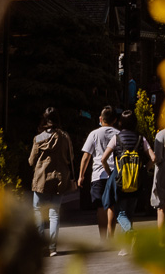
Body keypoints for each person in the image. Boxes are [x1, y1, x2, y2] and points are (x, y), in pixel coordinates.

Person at [100, 109, 155, 240]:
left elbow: (103, 159)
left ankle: (130, 232)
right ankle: (126, 246)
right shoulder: (141, 138)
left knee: (120, 212)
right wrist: (144, 169)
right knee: (130, 212)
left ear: (120, 123)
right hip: (136, 180)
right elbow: (153, 158)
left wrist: (110, 173)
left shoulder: (117, 138)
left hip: (120, 180)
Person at [27, 108, 75, 256]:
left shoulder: (38, 138)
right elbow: (71, 157)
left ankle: (41, 246)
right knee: (54, 213)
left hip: (41, 179)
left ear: (44, 119)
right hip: (60, 178)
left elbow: (31, 161)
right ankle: (52, 248)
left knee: (38, 211)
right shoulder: (65, 137)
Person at [78, 106, 119, 240]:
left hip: (98, 175)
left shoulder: (94, 134)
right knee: (111, 206)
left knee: (100, 207)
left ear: (100, 119)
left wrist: (81, 175)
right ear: (115, 120)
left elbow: (86, 156)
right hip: (114, 174)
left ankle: (103, 239)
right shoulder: (118, 134)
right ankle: (111, 236)